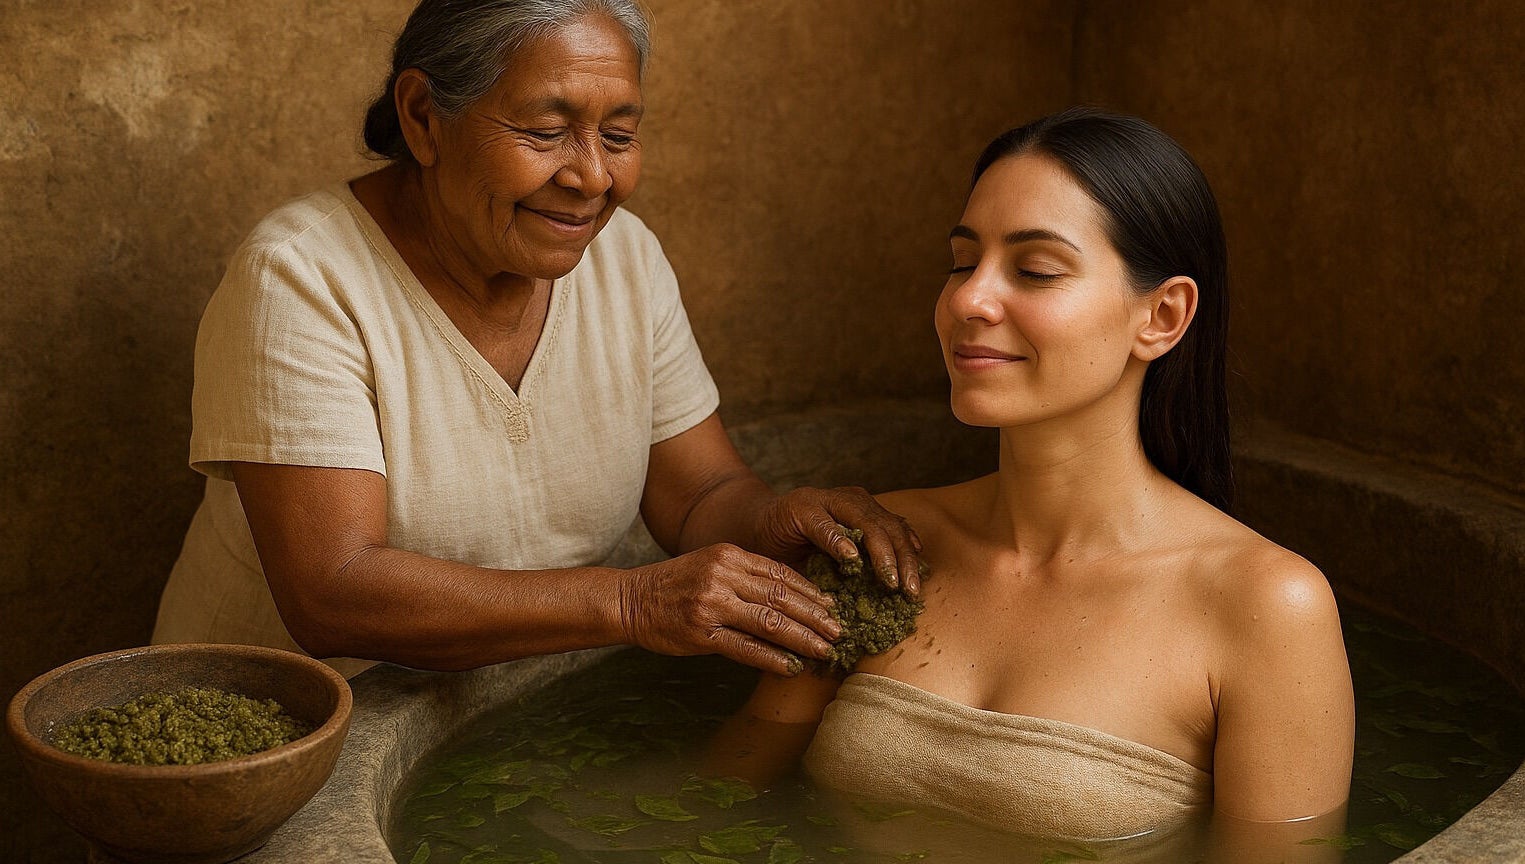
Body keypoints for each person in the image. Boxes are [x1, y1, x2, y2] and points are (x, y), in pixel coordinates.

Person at [151, 0, 923, 679]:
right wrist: (632, 601)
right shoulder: (302, 277)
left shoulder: (624, 259)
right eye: (546, 131)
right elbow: (334, 592)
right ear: (423, 117)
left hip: (487, 713)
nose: (591, 178)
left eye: (617, 137)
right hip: (277, 751)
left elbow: (698, 495)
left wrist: (772, 521)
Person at [707, 108, 1355, 861]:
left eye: (1035, 270)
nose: (967, 301)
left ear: (1162, 315)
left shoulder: (1265, 606)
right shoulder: (888, 546)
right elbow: (718, 798)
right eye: (959, 261)